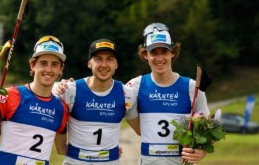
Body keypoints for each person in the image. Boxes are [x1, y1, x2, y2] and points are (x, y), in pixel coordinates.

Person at [0, 35, 69, 165]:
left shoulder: (61, 108)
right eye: (43, 63)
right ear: (33, 65)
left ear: (61, 69)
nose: (48, 69)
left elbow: (62, 149)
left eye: (54, 64)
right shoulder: (11, 95)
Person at [126, 22, 209, 164]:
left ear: (173, 52)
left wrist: (202, 152)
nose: (159, 58)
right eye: (153, 52)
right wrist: (73, 88)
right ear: (145, 55)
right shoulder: (135, 86)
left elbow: (207, 130)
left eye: (164, 52)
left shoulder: (192, 87)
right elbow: (106, 95)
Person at [52, 39, 138, 165]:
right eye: (98, 59)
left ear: (116, 64)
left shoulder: (127, 94)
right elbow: (44, 96)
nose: (104, 65)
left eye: (110, 59)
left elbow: (143, 130)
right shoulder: (69, 90)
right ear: (89, 63)